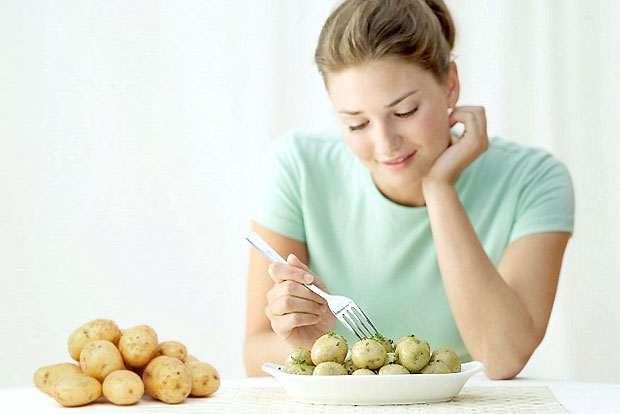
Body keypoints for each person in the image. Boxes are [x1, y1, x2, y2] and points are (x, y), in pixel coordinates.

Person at [244, 0, 574, 380]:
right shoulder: (298, 166)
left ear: (450, 85)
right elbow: (255, 353)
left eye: (404, 112)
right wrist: (305, 345)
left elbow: (502, 357)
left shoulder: (534, 179)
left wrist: (439, 187)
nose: (385, 144)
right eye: (357, 124)